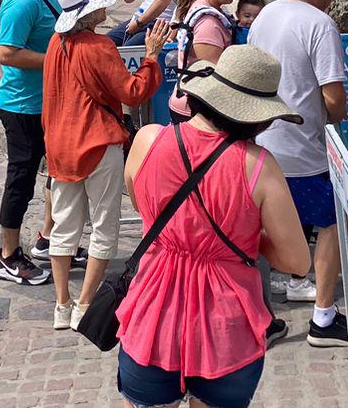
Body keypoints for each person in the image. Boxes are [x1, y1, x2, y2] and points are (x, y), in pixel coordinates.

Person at [116, 46, 312, 408]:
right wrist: (246, 235)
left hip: (153, 311)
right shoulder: (259, 166)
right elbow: (298, 262)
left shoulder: (147, 140)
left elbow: (142, 202)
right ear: (260, 118)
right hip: (227, 322)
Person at [43, 0, 166, 330]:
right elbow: (132, 91)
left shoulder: (56, 43)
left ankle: (61, 304)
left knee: (64, 227)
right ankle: (84, 306)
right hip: (97, 142)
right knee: (103, 226)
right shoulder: (98, 47)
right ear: (91, 11)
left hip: (61, 146)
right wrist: (151, 57)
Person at [248, 0, 348, 346]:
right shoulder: (321, 24)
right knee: (330, 224)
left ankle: (260, 318)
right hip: (302, 149)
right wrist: (340, 116)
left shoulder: (267, 14)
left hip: (259, 140)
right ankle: (323, 317)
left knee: (255, 230)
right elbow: (333, 96)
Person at [0, 0, 76, 285]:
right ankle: (8, 254)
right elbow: (7, 53)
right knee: (21, 180)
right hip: (23, 106)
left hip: (49, 102)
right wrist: (60, 60)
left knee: (57, 173)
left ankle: (47, 239)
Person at [167, 0, 241, 122]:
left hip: (194, 103)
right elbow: (213, 75)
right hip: (195, 109)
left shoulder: (208, 9)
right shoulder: (209, 24)